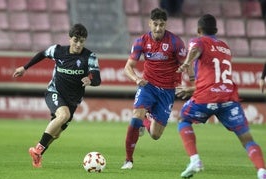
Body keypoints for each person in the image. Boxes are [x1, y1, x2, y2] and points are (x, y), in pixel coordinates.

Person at [176, 14, 266, 179]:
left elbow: (195, 50)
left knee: (184, 119)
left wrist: (187, 63)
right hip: (228, 98)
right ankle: (262, 172)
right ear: (216, 30)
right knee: (247, 138)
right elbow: (216, 78)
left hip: (206, 97)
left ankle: (195, 160)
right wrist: (193, 89)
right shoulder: (225, 47)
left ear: (199, 30)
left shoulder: (199, 41)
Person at [12, 23, 101, 168]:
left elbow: (97, 79)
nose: (78, 44)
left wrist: (90, 79)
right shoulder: (58, 50)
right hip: (55, 92)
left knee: (57, 134)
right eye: (75, 40)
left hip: (73, 100)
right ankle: (37, 149)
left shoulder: (90, 57)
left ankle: (38, 155)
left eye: (82, 41)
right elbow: (42, 54)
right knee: (63, 116)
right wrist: (25, 67)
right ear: (69, 38)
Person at [121, 8, 187, 169]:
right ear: (150, 23)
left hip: (167, 91)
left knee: (156, 135)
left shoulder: (175, 42)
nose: (158, 28)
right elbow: (127, 67)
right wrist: (137, 79)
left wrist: (186, 80)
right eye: (155, 24)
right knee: (136, 116)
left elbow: (186, 64)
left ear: (166, 25)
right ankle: (128, 160)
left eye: (161, 25)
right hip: (147, 86)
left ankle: (146, 121)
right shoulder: (141, 42)